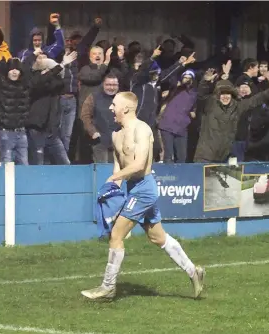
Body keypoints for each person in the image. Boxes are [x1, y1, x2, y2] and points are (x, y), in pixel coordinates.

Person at [81, 92, 205, 300]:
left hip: (144, 189)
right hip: (132, 188)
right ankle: (194, 272)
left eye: (114, 105)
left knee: (116, 235)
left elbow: (138, 165)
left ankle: (108, 287)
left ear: (126, 108)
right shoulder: (116, 134)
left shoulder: (142, 129)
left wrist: (112, 179)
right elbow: (119, 165)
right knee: (157, 237)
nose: (111, 109)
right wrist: (113, 189)